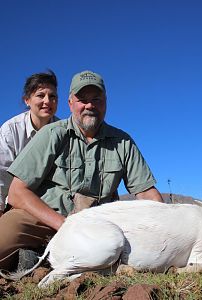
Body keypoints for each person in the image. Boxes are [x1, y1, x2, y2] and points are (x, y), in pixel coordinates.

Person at [0, 70, 163, 271]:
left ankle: (46, 259)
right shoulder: (51, 134)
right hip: (46, 219)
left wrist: (163, 223)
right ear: (70, 104)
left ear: (106, 102)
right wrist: (66, 226)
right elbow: (17, 193)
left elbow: (148, 193)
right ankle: (39, 255)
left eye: (96, 99)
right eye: (82, 100)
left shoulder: (123, 142)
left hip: (101, 227)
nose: (89, 105)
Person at [0, 70, 59, 217]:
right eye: (40, 95)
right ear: (27, 100)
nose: (47, 101)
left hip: (54, 204)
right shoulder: (11, 130)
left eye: (52, 96)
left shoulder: (62, 130)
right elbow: (2, 175)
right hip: (19, 204)